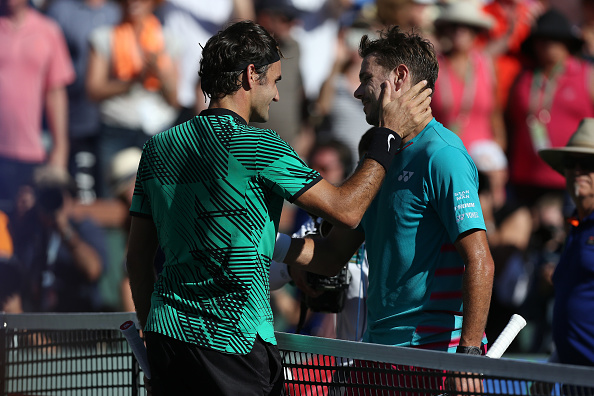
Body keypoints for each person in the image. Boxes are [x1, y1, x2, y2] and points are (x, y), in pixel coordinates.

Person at [125, 20, 432, 395]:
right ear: (251, 75)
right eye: (275, 81)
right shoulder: (259, 144)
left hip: (166, 339)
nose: (277, 96)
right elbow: (347, 210)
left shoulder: (157, 148)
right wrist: (389, 134)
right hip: (233, 345)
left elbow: (139, 261)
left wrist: (151, 334)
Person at [275, 25, 494, 395]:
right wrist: (267, 245)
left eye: (366, 78)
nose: (358, 90)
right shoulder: (379, 160)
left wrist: (468, 356)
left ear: (399, 77)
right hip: (377, 353)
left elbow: (480, 260)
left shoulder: (443, 156)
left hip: (430, 358)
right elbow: (330, 256)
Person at [86, 0, 180, 197]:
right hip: (117, 128)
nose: (133, 2)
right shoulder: (105, 37)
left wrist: (159, 74)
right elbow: (94, 89)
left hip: (157, 131)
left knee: (159, 197)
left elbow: (173, 98)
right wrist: (134, 81)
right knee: (113, 197)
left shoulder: (167, 40)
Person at [507, 8, 594, 205]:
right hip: (525, 177)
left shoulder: (587, 75)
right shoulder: (523, 78)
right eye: (542, 39)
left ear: (567, 43)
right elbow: (510, 122)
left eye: (555, 39)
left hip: (573, 177)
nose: (547, 45)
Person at [0, 0, 75, 214]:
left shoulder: (48, 31)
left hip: (33, 154)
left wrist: (60, 152)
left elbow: (56, 93)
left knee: (28, 227)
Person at [46, 0, 122, 203]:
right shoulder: (60, 11)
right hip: (77, 120)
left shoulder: (117, 11)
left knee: (111, 194)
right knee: (84, 195)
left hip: (114, 122)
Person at [9, 166, 108, 312]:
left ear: (70, 199)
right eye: (46, 195)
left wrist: (64, 230)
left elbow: (93, 270)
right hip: (38, 321)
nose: (52, 201)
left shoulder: (84, 227)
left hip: (79, 318)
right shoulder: (31, 232)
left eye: (58, 195)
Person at [539, 117, 594, 367]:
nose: (578, 171)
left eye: (588, 163)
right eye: (572, 163)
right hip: (573, 378)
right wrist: (555, 362)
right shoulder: (576, 228)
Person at [432, 1, 506, 152]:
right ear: (445, 30)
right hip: (442, 154)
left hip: (483, 159)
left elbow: (495, 113)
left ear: (475, 31)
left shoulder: (486, 65)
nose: (460, 31)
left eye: (466, 27)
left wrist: (498, 149)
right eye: (454, 26)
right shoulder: (433, 65)